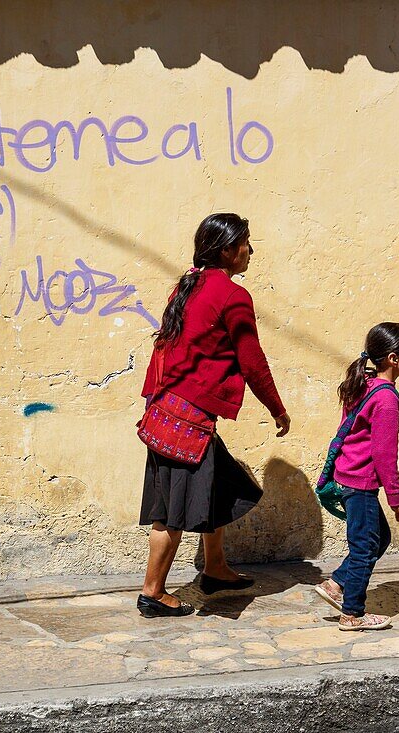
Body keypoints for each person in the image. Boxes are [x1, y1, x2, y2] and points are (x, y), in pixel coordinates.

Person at [137, 213, 291, 618]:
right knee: (171, 513)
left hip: (169, 409)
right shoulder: (233, 295)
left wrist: (154, 402)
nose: (251, 251)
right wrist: (277, 408)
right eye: (246, 243)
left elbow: (165, 348)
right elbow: (252, 361)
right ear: (226, 250)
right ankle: (153, 592)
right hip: (187, 422)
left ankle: (216, 568)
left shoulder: (187, 287)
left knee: (221, 488)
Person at [313, 322, 399, 630]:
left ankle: (336, 584)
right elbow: (384, 455)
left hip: (348, 478)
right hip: (361, 484)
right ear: (394, 359)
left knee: (378, 538)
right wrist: (396, 497)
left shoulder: (365, 383)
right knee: (364, 548)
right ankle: (352, 613)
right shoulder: (386, 400)